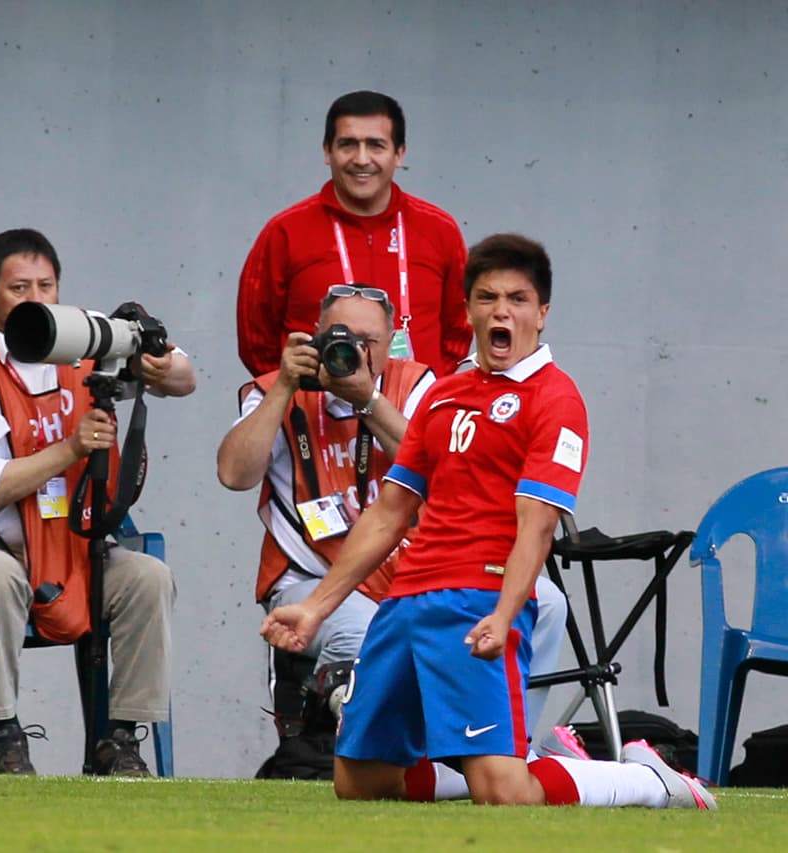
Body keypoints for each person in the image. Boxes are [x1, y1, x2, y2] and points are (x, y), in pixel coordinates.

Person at [261, 234, 715, 809]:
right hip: (405, 603)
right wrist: (315, 606)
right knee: (360, 784)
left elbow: (537, 526)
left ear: (542, 313)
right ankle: (536, 766)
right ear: (469, 309)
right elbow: (390, 513)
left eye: (518, 299)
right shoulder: (443, 396)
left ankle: (650, 781)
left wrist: (504, 615)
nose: (502, 311)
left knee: (503, 794)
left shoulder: (556, 398)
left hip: (478, 602)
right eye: (487, 297)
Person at [218, 283, 566, 787]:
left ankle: (513, 747)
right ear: (314, 337)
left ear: (392, 341)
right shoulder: (275, 386)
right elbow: (234, 474)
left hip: (412, 570)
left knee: (548, 602)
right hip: (314, 575)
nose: (355, 352)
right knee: (367, 636)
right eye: (340, 338)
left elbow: (448, 465)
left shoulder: (420, 384)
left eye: (370, 341)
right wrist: (283, 389)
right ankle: (445, 769)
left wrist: (368, 401)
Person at [0, 228, 193, 775]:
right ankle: (5, 734)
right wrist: (71, 447)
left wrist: (159, 366)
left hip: (80, 549)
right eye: (18, 287)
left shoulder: (84, 336)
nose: (35, 299)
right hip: (1, 547)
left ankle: (121, 739)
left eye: (46, 285)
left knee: (149, 577)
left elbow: (186, 379)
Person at [236, 90, 471, 379]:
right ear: (327, 151)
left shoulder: (440, 230)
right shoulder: (285, 232)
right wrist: (296, 399)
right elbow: (255, 341)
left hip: (412, 416)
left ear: (399, 153)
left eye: (376, 145)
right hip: (315, 416)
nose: (362, 159)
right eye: (348, 144)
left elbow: (461, 328)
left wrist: (425, 390)